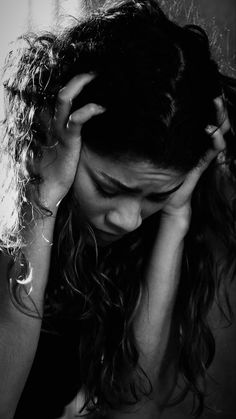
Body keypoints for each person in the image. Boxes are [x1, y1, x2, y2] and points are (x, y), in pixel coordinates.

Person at [0, 0, 236, 418]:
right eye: (109, 187)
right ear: (58, 138)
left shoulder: (131, 245)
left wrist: (176, 214)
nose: (127, 219)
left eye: (155, 195)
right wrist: (42, 197)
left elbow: (134, 408)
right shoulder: (11, 211)